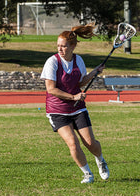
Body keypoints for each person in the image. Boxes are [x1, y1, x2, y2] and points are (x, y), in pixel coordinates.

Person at [41, 23, 109, 183]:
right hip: (57, 110)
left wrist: (94, 72)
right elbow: (51, 89)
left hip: (77, 109)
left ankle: (100, 160)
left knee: (91, 143)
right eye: (58, 46)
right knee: (73, 142)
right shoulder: (52, 62)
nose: (60, 49)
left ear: (72, 46)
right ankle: (88, 174)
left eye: (63, 46)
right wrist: (73, 97)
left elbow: (79, 83)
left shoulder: (78, 60)